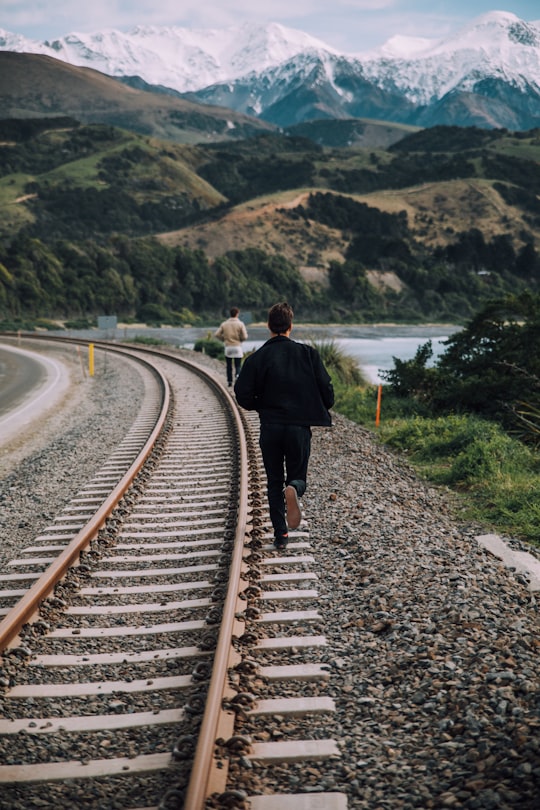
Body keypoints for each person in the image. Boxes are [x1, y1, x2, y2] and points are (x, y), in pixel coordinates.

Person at [234, 301, 334, 550]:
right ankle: (295, 489)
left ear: (269, 326)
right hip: (299, 428)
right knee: (297, 476)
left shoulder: (256, 358)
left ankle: (281, 536)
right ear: (291, 325)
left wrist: (263, 406)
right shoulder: (309, 354)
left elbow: (242, 395)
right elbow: (328, 394)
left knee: (273, 480)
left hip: (271, 427)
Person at [214, 307, 248, 387]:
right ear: (237, 314)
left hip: (228, 347)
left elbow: (217, 334)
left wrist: (224, 339)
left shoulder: (224, 324)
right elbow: (245, 336)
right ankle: (237, 376)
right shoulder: (240, 324)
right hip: (237, 347)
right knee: (238, 365)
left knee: (229, 365)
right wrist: (240, 340)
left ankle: (229, 381)